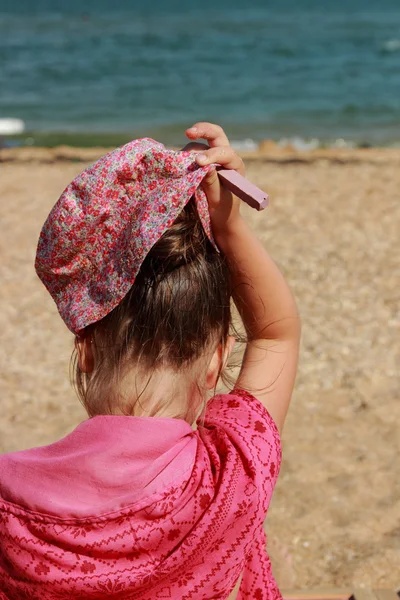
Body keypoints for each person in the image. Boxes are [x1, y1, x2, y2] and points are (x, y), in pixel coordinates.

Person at [0, 123, 300, 600]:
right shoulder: (231, 472)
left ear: (86, 352)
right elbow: (275, 334)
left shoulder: (9, 506)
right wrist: (229, 227)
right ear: (215, 361)